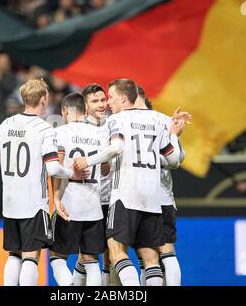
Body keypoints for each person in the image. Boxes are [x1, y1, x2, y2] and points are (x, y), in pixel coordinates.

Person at [0, 79, 89, 286]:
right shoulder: (44, 129)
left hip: (10, 203)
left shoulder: (6, 124)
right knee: (31, 256)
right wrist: (71, 173)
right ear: (44, 99)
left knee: (14, 253)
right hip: (33, 203)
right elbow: (53, 168)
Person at [74, 79, 183, 286]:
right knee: (150, 259)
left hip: (126, 194)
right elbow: (174, 161)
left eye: (111, 97)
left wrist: (87, 161)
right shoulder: (156, 121)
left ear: (123, 98)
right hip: (152, 199)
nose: (108, 103)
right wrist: (175, 137)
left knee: (116, 252)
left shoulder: (117, 119)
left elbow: (116, 148)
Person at [50, 93, 107, 286]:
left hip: (69, 203)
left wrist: (56, 199)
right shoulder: (100, 133)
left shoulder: (62, 132)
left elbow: (56, 167)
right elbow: (106, 169)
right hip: (94, 204)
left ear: (66, 111)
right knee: (91, 261)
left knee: (57, 258)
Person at [135, 86, 190, 286]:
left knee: (147, 257)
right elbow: (179, 157)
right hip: (164, 197)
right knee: (167, 253)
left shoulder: (129, 123)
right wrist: (172, 135)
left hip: (142, 199)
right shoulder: (165, 121)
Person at [71, 83, 114, 286]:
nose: (101, 105)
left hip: (111, 199)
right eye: (95, 101)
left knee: (109, 256)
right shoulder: (78, 129)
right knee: (87, 256)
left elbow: (107, 169)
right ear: (85, 105)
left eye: (103, 100)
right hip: (88, 200)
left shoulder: (113, 125)